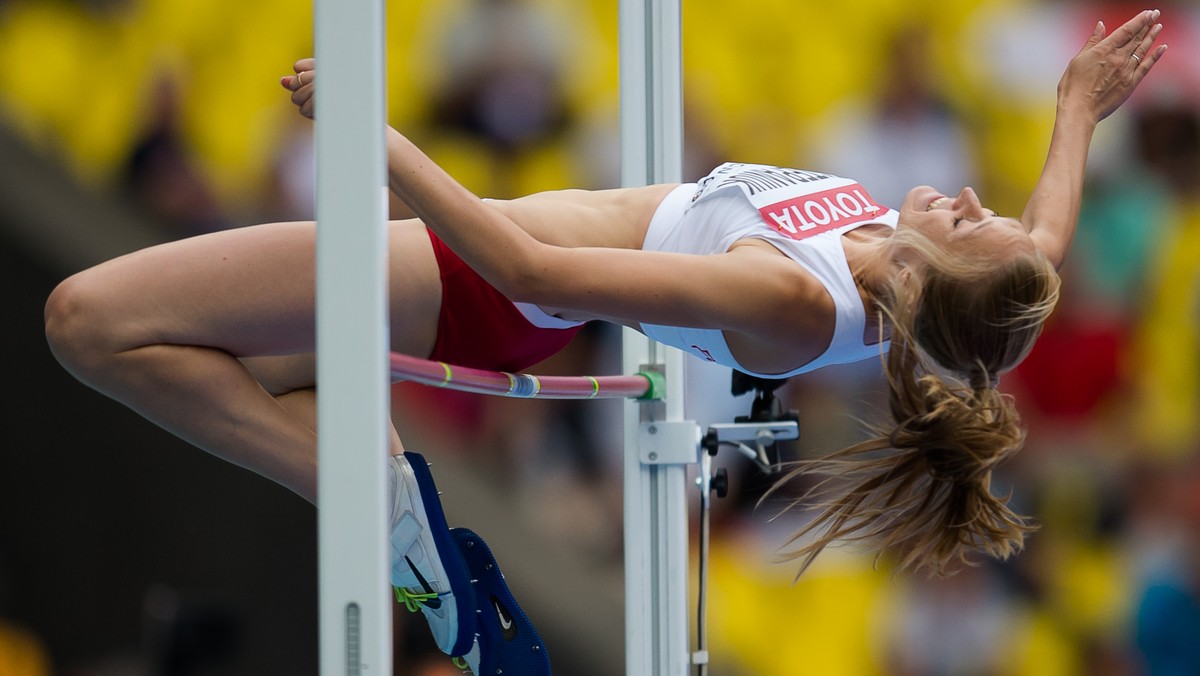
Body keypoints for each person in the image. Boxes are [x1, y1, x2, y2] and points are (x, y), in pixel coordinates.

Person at [43, 9, 1166, 671]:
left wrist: (377, 143)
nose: (976, 194)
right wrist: (1074, 104)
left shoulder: (798, 298)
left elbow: (532, 268)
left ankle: (375, 500)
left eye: (970, 222)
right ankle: (373, 490)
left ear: (930, 278)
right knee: (152, 351)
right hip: (477, 288)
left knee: (88, 317)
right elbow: (1042, 247)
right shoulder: (941, 283)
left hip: (469, 282)